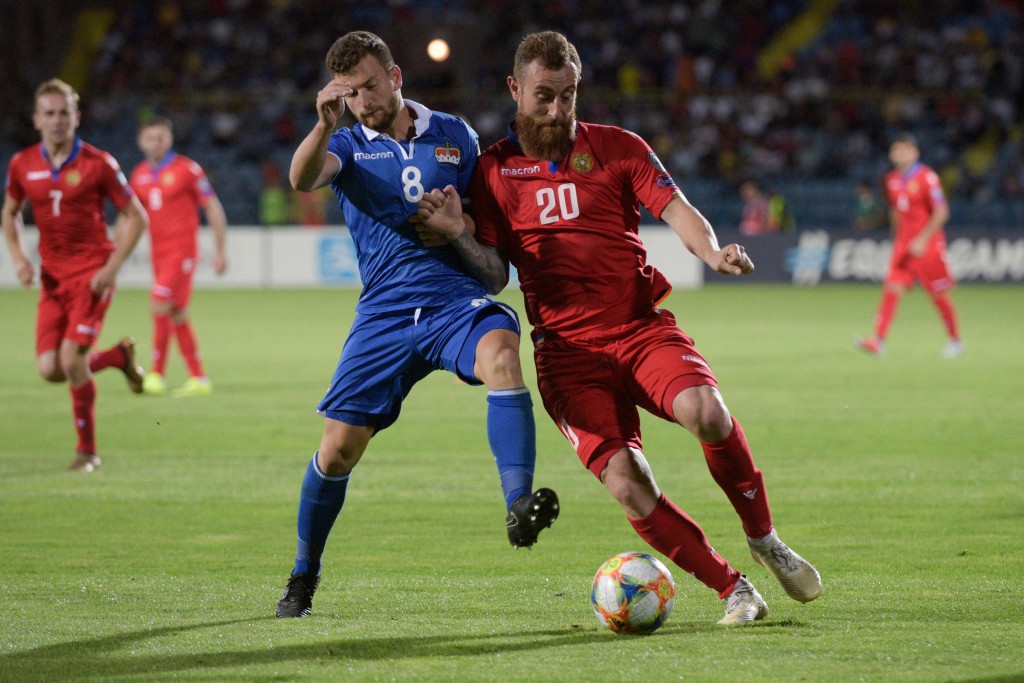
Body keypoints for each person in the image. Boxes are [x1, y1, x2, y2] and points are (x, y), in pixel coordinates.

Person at [417, 31, 822, 626]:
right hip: (567, 355)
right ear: (515, 90)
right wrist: (458, 233)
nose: (556, 110)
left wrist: (711, 254)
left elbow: (678, 209)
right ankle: (734, 588)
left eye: (567, 96)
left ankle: (765, 539)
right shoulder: (495, 171)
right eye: (543, 96)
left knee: (707, 412)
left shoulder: (618, 147)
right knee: (630, 485)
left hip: (638, 329)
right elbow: (493, 274)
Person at [275, 31, 559, 618]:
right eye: (350, 93)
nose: (363, 101)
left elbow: (491, 267)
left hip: (454, 302)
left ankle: (518, 504)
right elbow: (302, 179)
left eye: (371, 87)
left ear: (397, 76)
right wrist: (325, 124)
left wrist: (458, 230)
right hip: (383, 314)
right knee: (336, 454)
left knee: (505, 353)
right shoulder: (348, 143)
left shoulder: (456, 136)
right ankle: (303, 574)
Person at [2, 78, 148, 471]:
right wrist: (18, 256)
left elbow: (137, 217)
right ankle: (118, 357)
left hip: (91, 276)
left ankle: (87, 452)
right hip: (53, 281)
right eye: (48, 113)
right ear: (36, 120)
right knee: (50, 369)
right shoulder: (22, 164)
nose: (56, 120)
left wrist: (112, 267)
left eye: (64, 112)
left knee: (71, 359)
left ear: (76, 117)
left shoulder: (99, 164)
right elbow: (10, 212)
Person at [129, 115, 228, 397]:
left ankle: (157, 374)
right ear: (140, 142)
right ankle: (198, 378)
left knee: (158, 302)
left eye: (161, 137)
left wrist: (220, 249)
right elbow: (131, 218)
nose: (156, 143)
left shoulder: (187, 170)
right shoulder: (139, 175)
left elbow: (212, 207)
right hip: (157, 255)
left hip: (181, 253)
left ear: (170, 139)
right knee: (177, 312)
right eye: (150, 138)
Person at [855, 133, 962, 358]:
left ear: (915, 153)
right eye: (897, 150)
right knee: (892, 288)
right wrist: (898, 241)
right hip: (904, 245)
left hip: (928, 245)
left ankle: (955, 341)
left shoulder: (927, 178)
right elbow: (896, 212)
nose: (901, 154)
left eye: (905, 150)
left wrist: (922, 240)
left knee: (938, 294)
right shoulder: (891, 180)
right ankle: (878, 341)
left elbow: (942, 212)